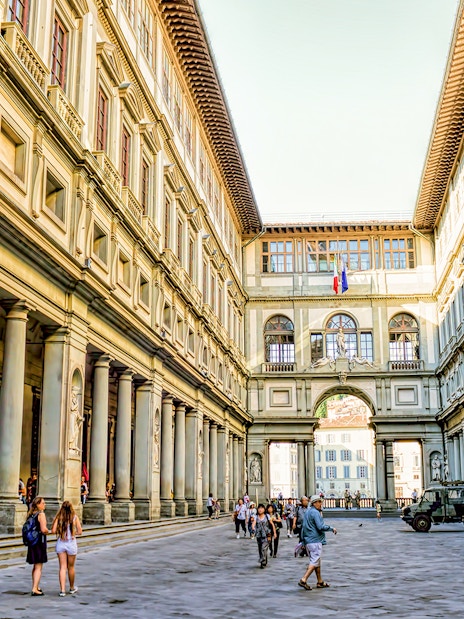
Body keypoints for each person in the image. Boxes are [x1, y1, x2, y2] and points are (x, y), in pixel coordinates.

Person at [298, 495, 337, 591]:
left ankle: (320, 581)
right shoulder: (315, 513)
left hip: (308, 541)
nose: (321, 504)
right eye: (319, 502)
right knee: (314, 561)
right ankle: (304, 579)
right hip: (315, 540)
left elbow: (303, 527)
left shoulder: (307, 512)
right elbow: (320, 526)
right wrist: (331, 528)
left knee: (317, 561)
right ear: (315, 503)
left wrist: (303, 541)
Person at [51, 501, 83, 597]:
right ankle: (72, 587)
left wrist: (61, 532)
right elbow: (80, 531)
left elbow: (53, 530)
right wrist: (73, 534)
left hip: (61, 543)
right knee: (71, 567)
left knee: (62, 567)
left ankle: (62, 590)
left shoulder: (58, 518)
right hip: (71, 543)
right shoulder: (74, 517)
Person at [26, 496, 50, 596]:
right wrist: (50, 531)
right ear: (38, 504)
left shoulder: (31, 514)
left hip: (32, 542)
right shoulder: (41, 514)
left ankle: (35, 585)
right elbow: (43, 529)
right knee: (39, 566)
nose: (44, 505)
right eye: (43, 503)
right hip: (39, 541)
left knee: (35, 566)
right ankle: (35, 588)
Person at [252, 503, 276, 568]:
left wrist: (274, 533)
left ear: (264, 509)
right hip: (259, 535)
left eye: (261, 508)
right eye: (259, 508)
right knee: (260, 548)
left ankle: (263, 560)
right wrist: (253, 528)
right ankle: (263, 561)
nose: (260, 510)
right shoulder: (256, 517)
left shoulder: (267, 516)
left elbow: (272, 524)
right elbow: (253, 524)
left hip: (267, 534)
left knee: (264, 548)